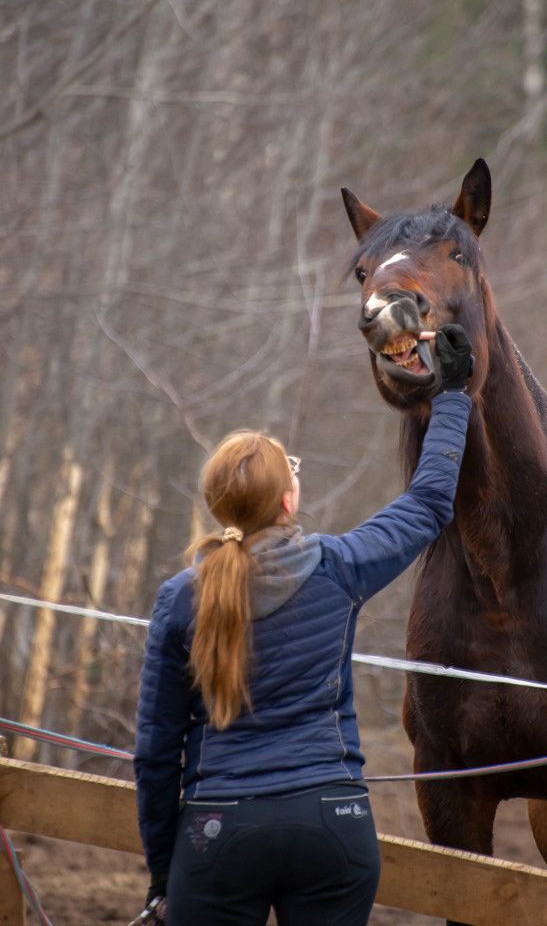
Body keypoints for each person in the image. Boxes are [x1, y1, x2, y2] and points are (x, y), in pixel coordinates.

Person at [130, 324, 473, 926]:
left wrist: (166, 874)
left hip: (217, 834)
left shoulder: (178, 599)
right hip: (331, 827)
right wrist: (451, 395)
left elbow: (156, 755)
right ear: (288, 502)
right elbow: (428, 501)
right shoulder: (340, 568)